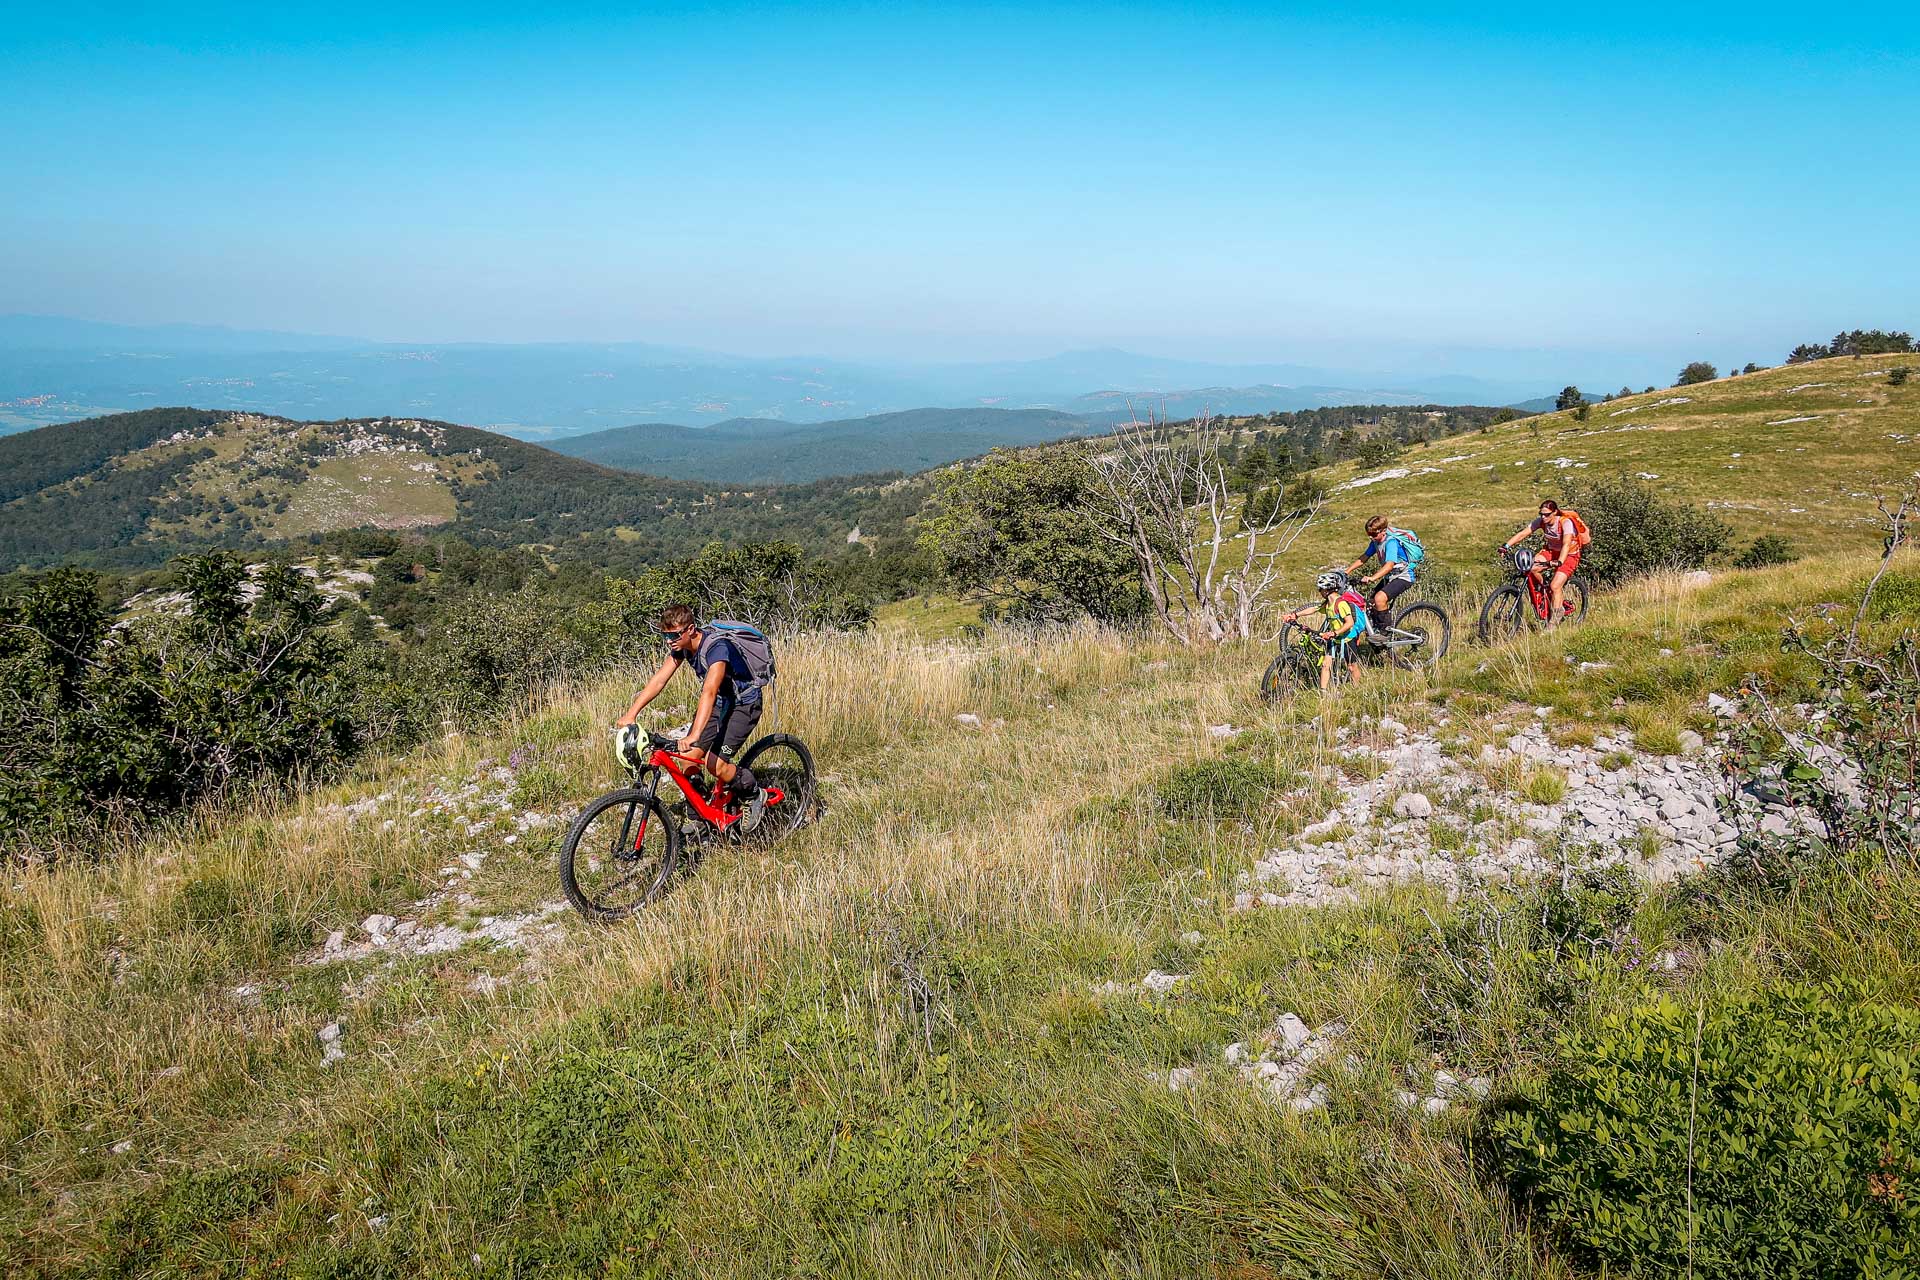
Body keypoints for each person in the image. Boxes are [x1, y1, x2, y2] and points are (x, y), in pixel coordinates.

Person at [615, 604, 768, 830]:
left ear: (691, 629)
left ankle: (753, 794)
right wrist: (631, 713)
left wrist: (694, 734)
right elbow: (659, 680)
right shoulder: (682, 647)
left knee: (716, 765)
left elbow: (709, 690)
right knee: (687, 759)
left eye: (674, 635)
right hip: (719, 703)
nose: (669, 641)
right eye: (665, 635)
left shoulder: (717, 648)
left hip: (743, 704)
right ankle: (702, 814)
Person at [1277, 571, 1366, 691]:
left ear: (1327, 590)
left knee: (1351, 666)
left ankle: (1357, 690)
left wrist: (1335, 633)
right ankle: (1323, 693)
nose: (1320, 592)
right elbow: (1314, 609)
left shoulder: (1341, 604)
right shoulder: (1328, 603)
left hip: (1347, 639)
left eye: (1321, 589)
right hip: (1334, 638)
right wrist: (1295, 615)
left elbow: (1349, 623)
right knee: (1325, 664)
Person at [1502, 499, 1583, 627]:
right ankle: (1544, 591)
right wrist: (1506, 546)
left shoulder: (1565, 523)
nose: (1543, 517)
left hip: (1569, 555)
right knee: (1531, 567)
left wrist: (1560, 561)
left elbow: (1566, 544)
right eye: (1541, 514)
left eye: (1546, 514)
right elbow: (1523, 533)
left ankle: (1553, 622)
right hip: (1550, 551)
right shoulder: (1541, 522)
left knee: (1555, 586)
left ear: (1555, 512)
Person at [1346, 515, 1420, 635]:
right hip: (1390, 577)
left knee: (1380, 598)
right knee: (1370, 603)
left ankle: (1385, 634)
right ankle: (1376, 633)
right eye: (1369, 534)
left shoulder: (1391, 542)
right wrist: (1346, 571)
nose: (1371, 537)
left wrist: (1372, 578)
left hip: (1403, 576)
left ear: (1383, 531)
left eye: (1374, 534)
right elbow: (1364, 557)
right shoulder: (1375, 542)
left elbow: (1389, 565)